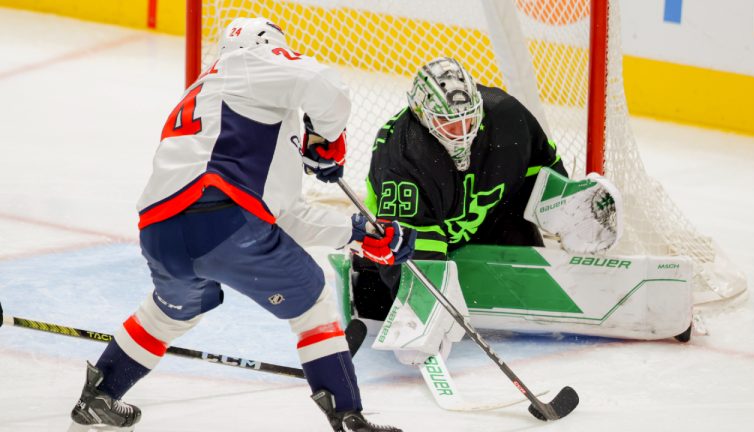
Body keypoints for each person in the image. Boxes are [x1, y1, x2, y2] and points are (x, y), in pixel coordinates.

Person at [68, 17, 414, 432]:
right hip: (223, 220)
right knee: (313, 303)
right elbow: (327, 86)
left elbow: (281, 213)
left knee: (172, 313)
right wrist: (326, 138)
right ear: (268, 45)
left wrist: (356, 233)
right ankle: (347, 416)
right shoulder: (253, 63)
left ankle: (99, 395)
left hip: (160, 231)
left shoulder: (206, 91)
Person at [352, 57, 621, 363]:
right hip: (413, 240)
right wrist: (420, 312)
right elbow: (408, 243)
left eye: (468, 119)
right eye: (448, 122)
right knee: (389, 285)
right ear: (421, 114)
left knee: (532, 273)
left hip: (488, 223)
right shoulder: (402, 153)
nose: (461, 131)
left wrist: (565, 208)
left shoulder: (508, 116)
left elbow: (543, 173)